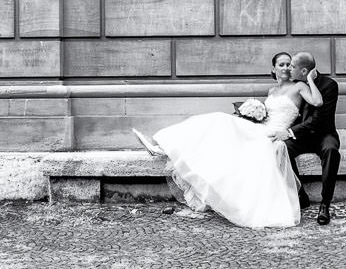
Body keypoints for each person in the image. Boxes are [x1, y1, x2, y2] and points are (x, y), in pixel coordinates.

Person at [132, 52, 322, 228]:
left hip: (273, 135)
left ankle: (162, 148)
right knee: (215, 126)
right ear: (273, 69)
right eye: (282, 64)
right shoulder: (272, 90)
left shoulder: (299, 86)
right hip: (260, 129)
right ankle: (162, 147)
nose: (286, 67)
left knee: (218, 120)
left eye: (289, 64)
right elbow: (266, 115)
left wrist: (310, 79)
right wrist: (252, 113)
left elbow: (317, 102)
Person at [279, 51, 340, 226]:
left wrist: (290, 131)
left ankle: (325, 203)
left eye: (292, 66)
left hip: (324, 134)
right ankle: (301, 195)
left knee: (331, 151)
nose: (289, 69)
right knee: (283, 148)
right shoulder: (296, 85)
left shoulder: (329, 85)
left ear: (304, 71)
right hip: (303, 136)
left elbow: (318, 120)